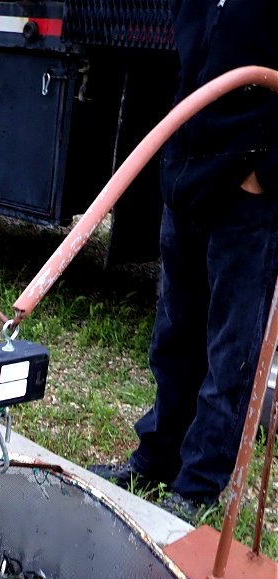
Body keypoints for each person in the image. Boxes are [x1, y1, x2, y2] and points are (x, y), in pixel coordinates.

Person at [91, 0, 278, 523]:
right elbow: (190, 73)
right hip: (187, 182)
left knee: (230, 352)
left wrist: (265, 174)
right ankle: (155, 459)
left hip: (246, 197)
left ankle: (197, 485)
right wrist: (174, 166)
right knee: (174, 339)